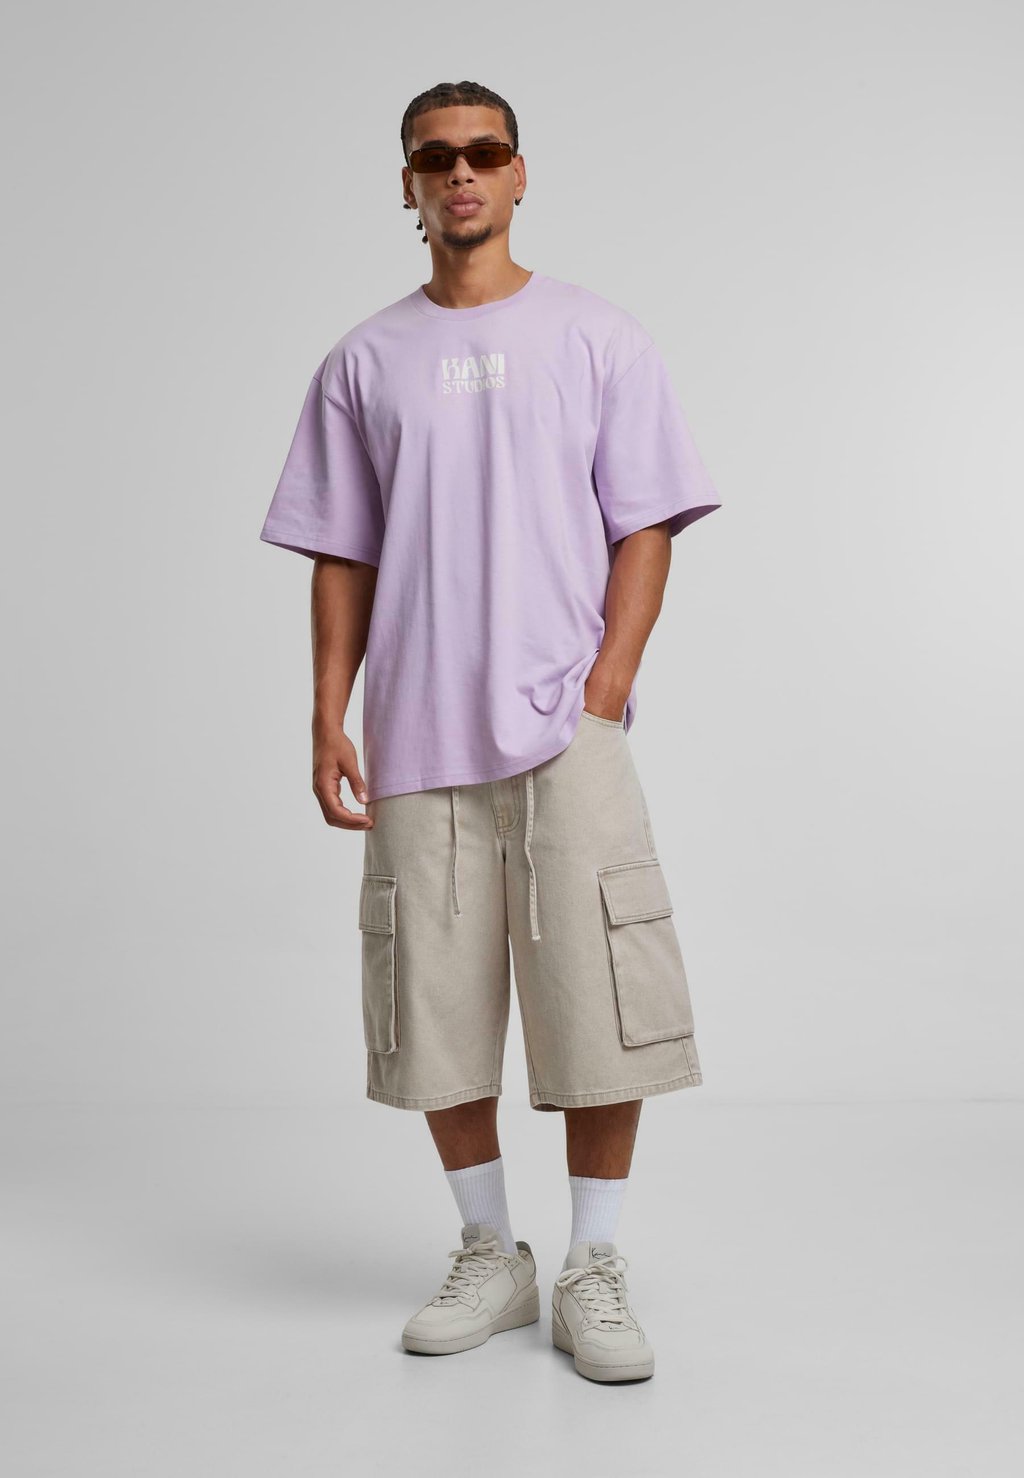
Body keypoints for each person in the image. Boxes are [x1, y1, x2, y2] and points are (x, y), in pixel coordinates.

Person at [258, 79, 721, 1384]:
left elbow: (645, 522)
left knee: (601, 1001)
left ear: (519, 175)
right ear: (408, 186)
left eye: (484, 152)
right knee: (434, 1003)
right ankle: (488, 1250)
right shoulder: (363, 362)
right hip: (417, 731)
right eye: (436, 157)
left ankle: (592, 1262)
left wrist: (606, 686)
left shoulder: (596, 336)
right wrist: (328, 711)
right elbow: (342, 551)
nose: (461, 173)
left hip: (567, 729)